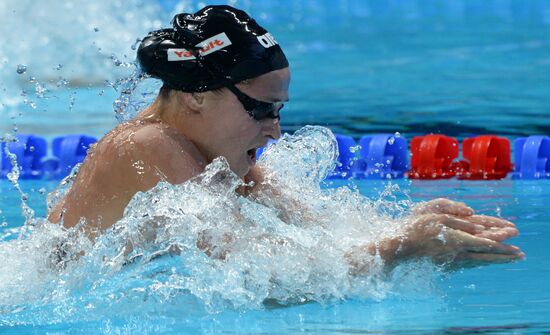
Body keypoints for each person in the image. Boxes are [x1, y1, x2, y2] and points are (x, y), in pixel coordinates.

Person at [47, 5, 524, 271]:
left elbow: (316, 237)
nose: (274, 128)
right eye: (259, 108)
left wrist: (413, 228)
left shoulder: (220, 159)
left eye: (278, 111)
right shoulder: (146, 146)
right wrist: (399, 247)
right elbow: (253, 274)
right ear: (198, 96)